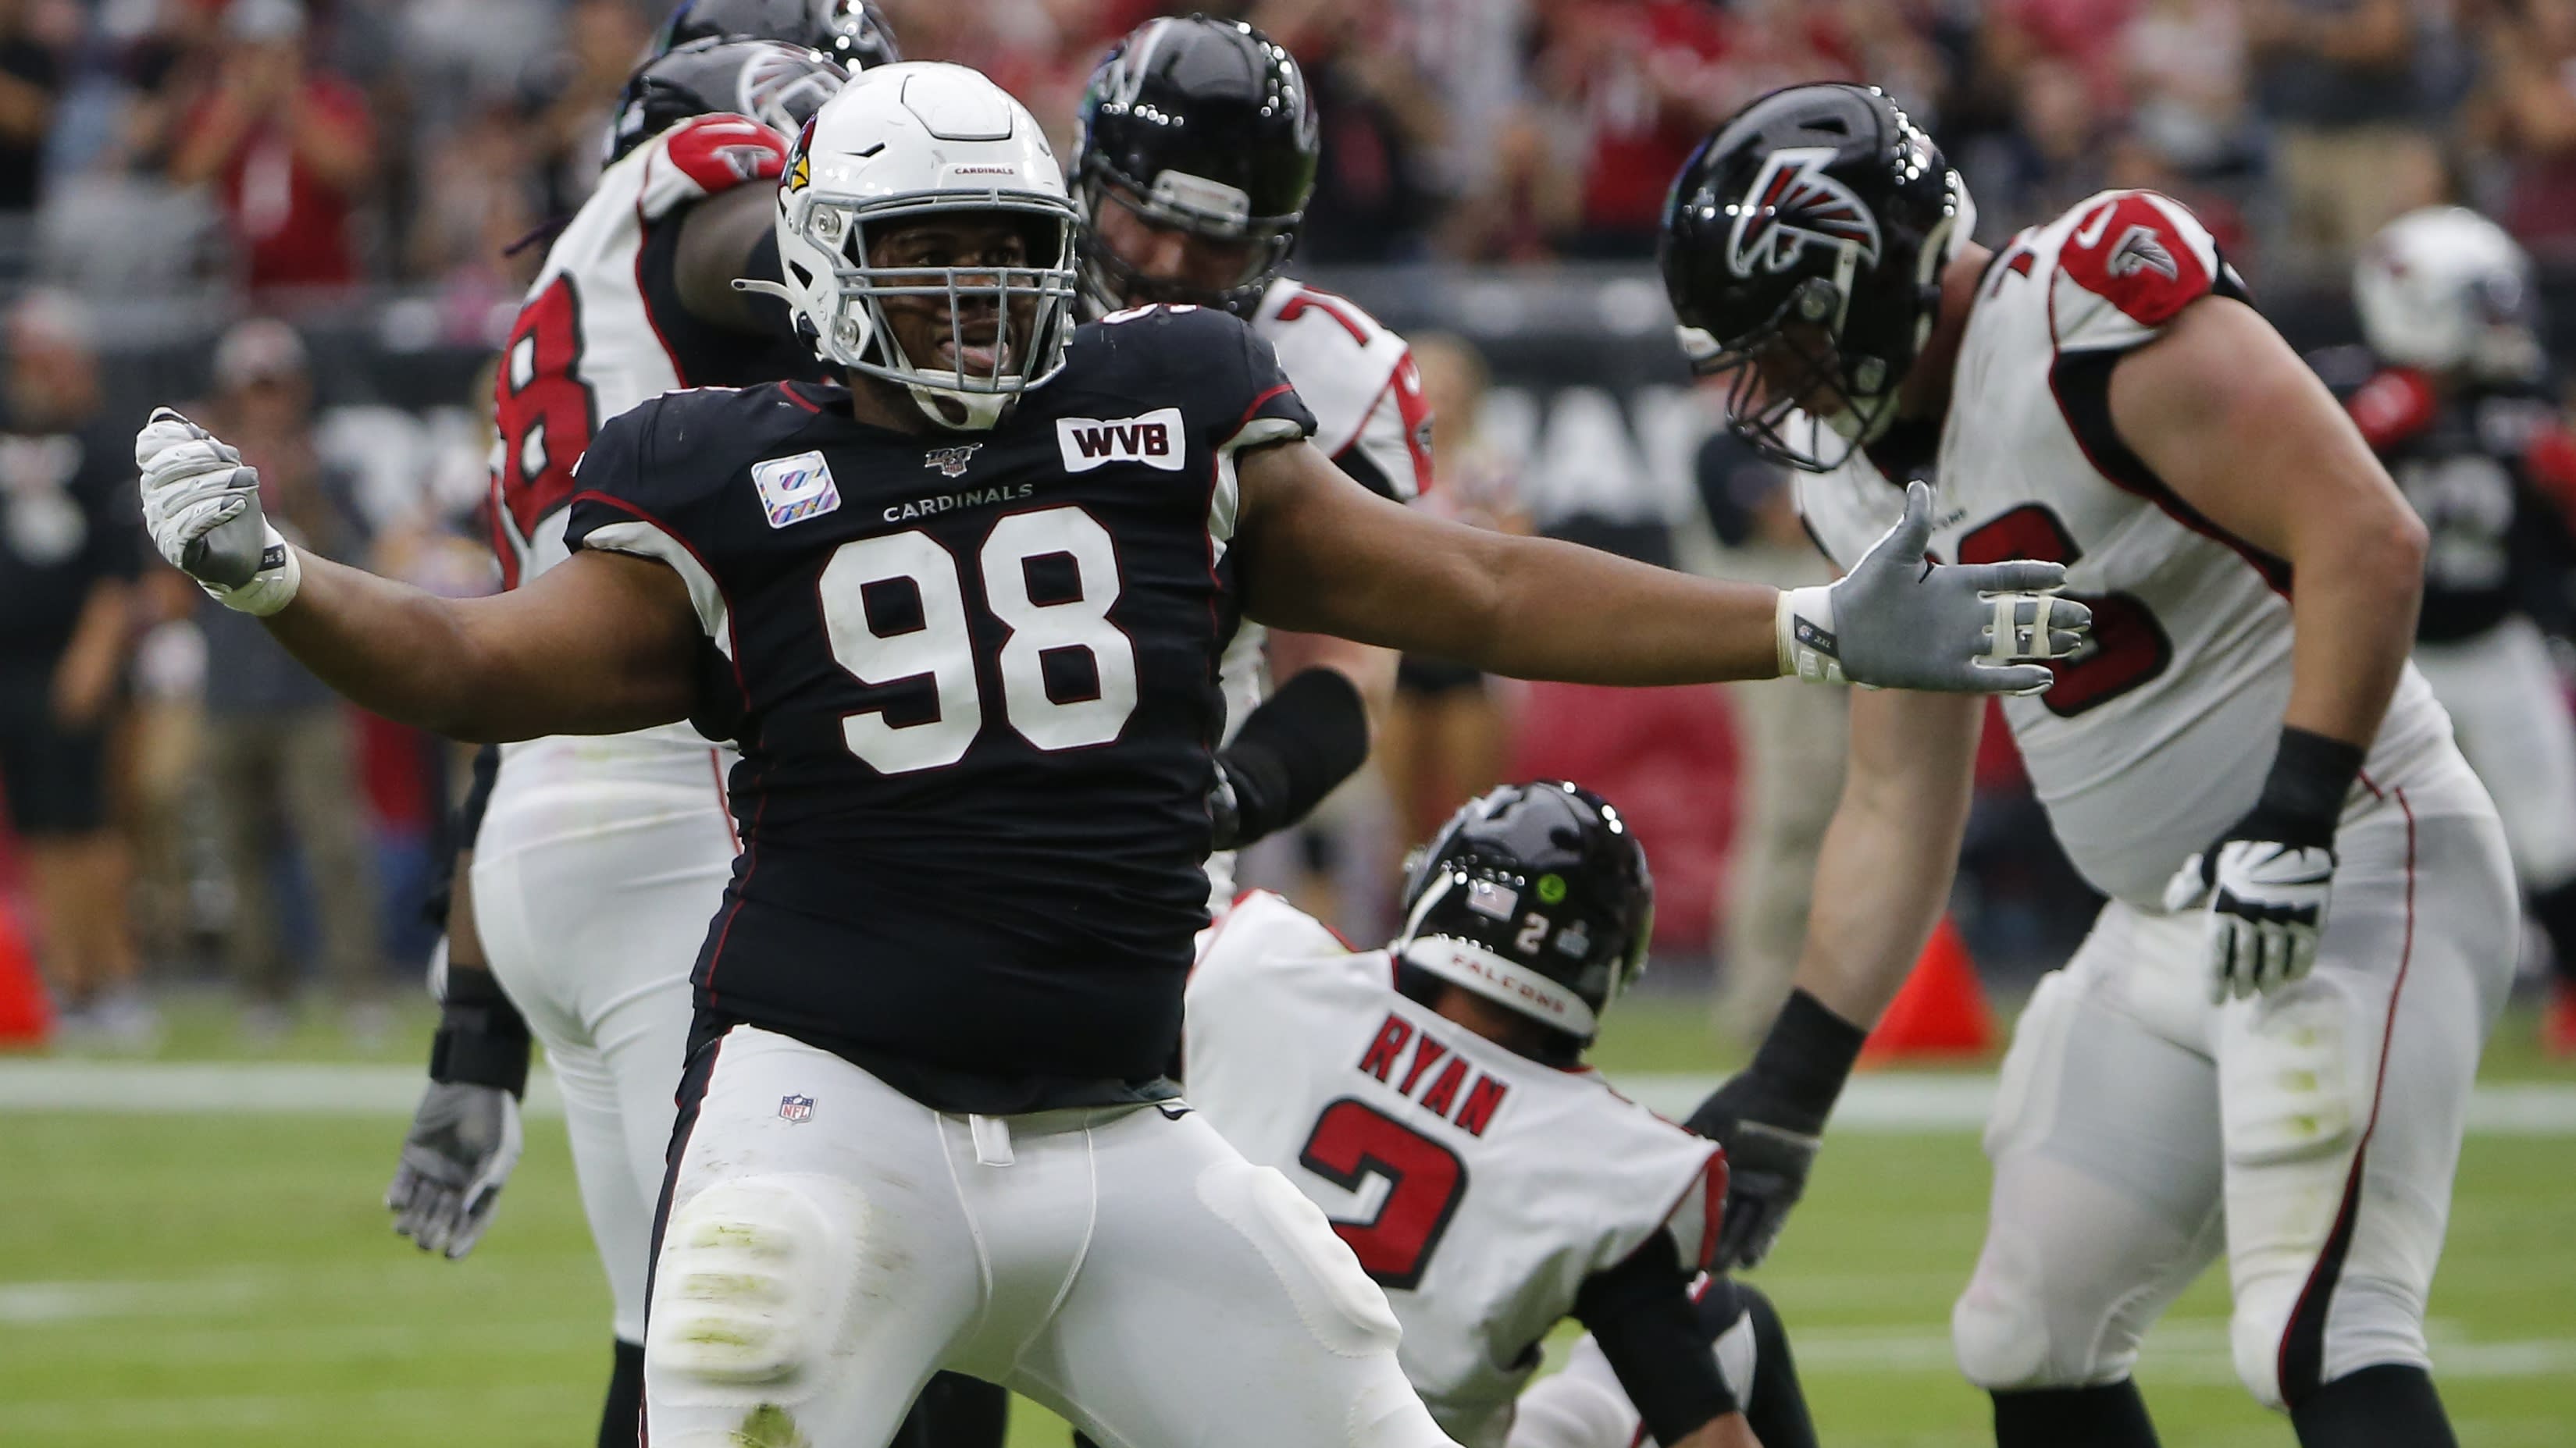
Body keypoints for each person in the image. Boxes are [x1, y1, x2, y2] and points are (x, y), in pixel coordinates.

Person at [138, 62, 2079, 1448]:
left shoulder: (1166, 397)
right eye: (925, 252)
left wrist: (1799, 624)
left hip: (1123, 1132)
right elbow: (481, 669)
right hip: (836, 1121)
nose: (975, 290)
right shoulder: (719, 474)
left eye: (1005, 246)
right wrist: (280, 580)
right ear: (820, 263)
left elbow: (1466, 586)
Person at [1660, 84, 2512, 1448]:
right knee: (2028, 1330)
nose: (1783, 393)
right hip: (2167, 919)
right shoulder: (1855, 488)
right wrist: (1793, 1080)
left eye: (1798, 341)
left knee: (2317, 1324)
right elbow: (1892, 794)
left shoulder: (2082, 324)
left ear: (1881, 272)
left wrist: (2291, 814)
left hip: (2351, 852)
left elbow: (2362, 534)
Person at [376, 33, 854, 1448]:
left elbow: (522, 690)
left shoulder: (565, 292)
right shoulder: (699, 206)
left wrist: (471, 1031)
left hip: (545, 831)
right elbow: (756, 242)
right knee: (766, 1343)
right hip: (677, 814)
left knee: (668, 1334)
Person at [1186, 781, 1818, 1448]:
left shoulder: (1260, 973)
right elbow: (1709, 1437)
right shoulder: (1600, 1161)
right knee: (1728, 1321)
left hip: (1153, 1428)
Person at [1070, 14, 1429, 912]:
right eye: (1143, 219)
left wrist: (1233, 791)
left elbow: (1348, 665)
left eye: (1214, 243)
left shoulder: (1332, 374)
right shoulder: (980, 309)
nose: (1167, 262)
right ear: (1086, 181)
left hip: (1153, 836)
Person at [2344, 206, 2576, 1055]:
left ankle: (2570, 998)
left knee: (2552, 828)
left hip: (2496, 640)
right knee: (2367, 838)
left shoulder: (2518, 401)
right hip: (2386, 652)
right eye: (2481, 302)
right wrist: (2379, 420)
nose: (2500, 320)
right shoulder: (2348, 391)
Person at [194, 316, 387, 1037]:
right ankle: (260, 988)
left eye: (276, 388)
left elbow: (364, 559)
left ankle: (359, 983)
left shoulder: (326, 467)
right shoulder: (206, 474)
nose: (267, 403)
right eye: (254, 389)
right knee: (242, 846)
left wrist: (304, 493)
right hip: (233, 682)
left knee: (334, 844)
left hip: (309, 685)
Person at [0, 291, 146, 1041]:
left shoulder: (102, 442)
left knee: (88, 821)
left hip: (70, 654)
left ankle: (111, 977)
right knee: (39, 826)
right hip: (13, 660)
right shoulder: (13, 436)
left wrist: (94, 655)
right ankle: (67, 978)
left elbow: (119, 572)